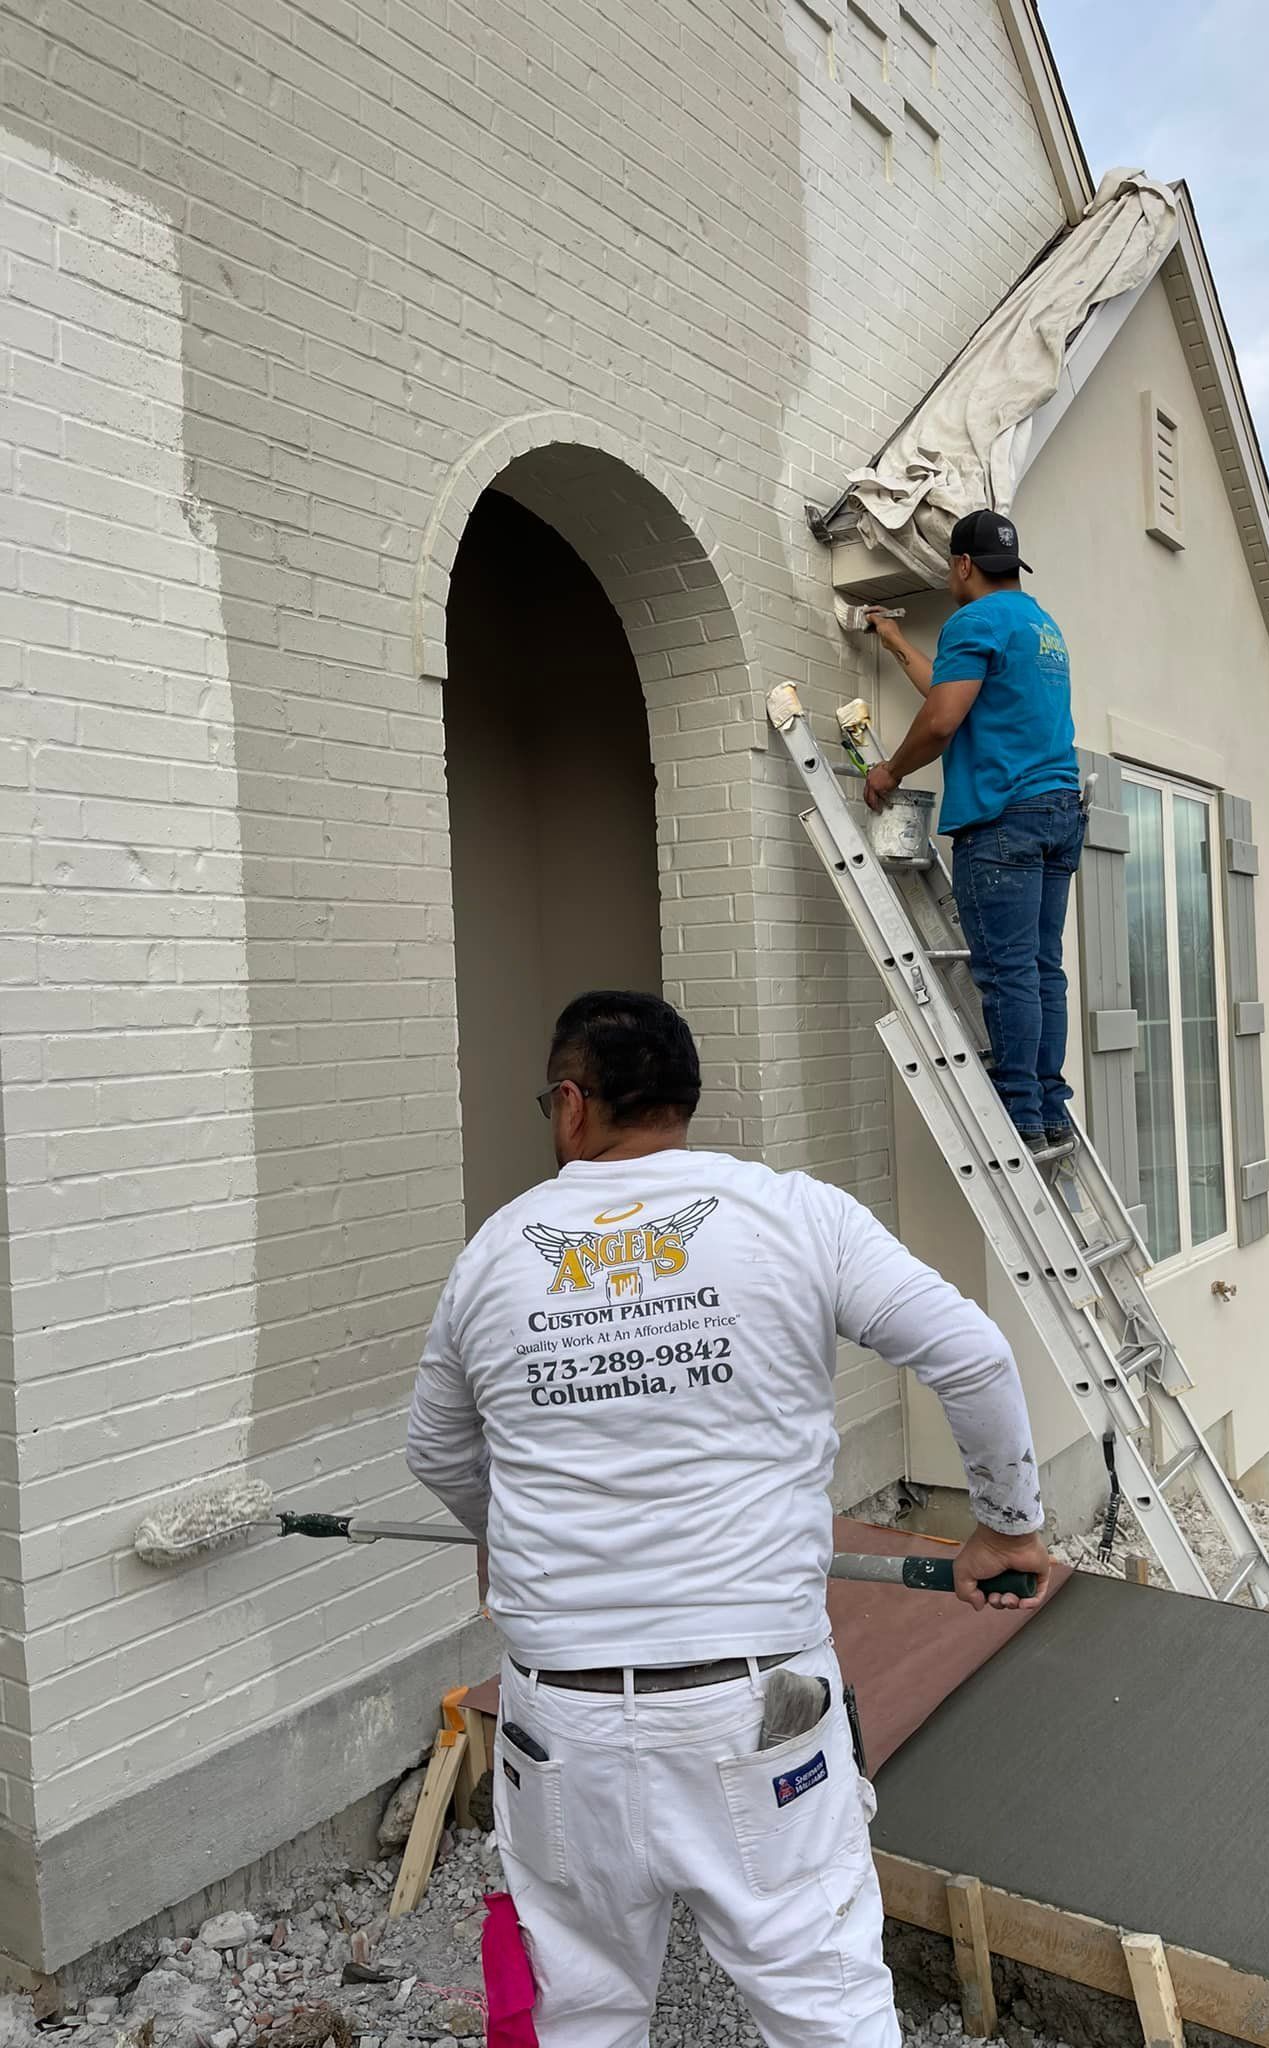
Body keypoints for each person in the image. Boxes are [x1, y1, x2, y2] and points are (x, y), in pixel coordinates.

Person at [406, 989, 1052, 2048]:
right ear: (683, 1099)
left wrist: (504, 1539)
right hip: (760, 1710)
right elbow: (971, 1354)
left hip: (558, 1719)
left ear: (572, 1103)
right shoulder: (793, 1214)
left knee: (580, 2007)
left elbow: (435, 1447)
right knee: (820, 2001)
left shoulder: (498, 1251)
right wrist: (1007, 1525)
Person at [864, 509, 1084, 1152]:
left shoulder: (974, 619)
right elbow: (949, 690)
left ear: (962, 566)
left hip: (1004, 818)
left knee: (1009, 971)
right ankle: (1046, 1104)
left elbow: (941, 721)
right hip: (1056, 811)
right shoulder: (1039, 625)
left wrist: (889, 771)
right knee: (1042, 968)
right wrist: (896, 642)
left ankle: (1020, 1112)